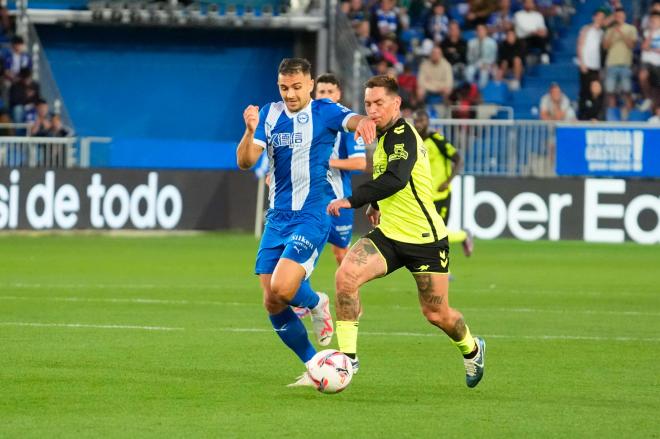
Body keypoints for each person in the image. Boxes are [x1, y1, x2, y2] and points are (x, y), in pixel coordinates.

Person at [326, 75, 486, 388]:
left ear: (396, 103)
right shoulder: (384, 137)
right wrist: (375, 204)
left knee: (437, 315)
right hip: (389, 235)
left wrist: (353, 199)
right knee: (346, 277)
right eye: (368, 104)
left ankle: (473, 349)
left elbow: (397, 178)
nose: (371, 110)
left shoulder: (403, 136)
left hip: (424, 240)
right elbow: (389, 179)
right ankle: (347, 361)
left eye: (379, 103)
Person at [236, 58, 375, 385]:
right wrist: (249, 131)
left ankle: (316, 301)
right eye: (284, 87)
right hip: (277, 217)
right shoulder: (269, 114)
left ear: (310, 84)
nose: (290, 94)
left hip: (312, 214)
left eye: (297, 87)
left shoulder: (325, 110)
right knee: (271, 300)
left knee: (283, 287)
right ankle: (314, 363)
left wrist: (365, 123)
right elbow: (245, 162)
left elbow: (352, 120)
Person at [314, 73, 367, 265]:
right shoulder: (304, 121)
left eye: (330, 91)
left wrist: (326, 163)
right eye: (321, 91)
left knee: (341, 254)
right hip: (309, 197)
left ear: (338, 94)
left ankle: (349, 293)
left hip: (337, 197)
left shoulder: (348, 124)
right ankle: (294, 293)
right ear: (314, 93)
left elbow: (360, 163)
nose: (325, 95)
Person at [412, 109, 474, 256]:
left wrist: (448, 181)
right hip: (424, 196)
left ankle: (463, 237)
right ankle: (463, 236)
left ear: (428, 121)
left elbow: (458, 160)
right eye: (416, 121)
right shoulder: (414, 141)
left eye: (422, 121)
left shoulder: (437, 140)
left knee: (438, 234)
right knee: (426, 234)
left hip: (441, 195)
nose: (419, 124)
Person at [603, 7, 638, 112]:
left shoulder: (631, 29)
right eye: (617, 16)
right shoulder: (610, 30)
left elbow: (632, 45)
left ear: (624, 16)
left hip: (625, 63)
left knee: (627, 91)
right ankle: (612, 115)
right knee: (610, 91)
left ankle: (629, 115)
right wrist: (613, 32)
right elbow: (605, 46)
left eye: (621, 16)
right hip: (611, 63)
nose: (619, 18)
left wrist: (621, 33)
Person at [576, 10, 605, 100]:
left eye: (602, 18)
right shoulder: (586, 29)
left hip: (596, 66)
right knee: (585, 89)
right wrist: (582, 62)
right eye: (598, 17)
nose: (600, 19)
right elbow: (580, 45)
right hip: (586, 64)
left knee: (595, 91)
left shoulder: (601, 33)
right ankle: (583, 111)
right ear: (594, 17)